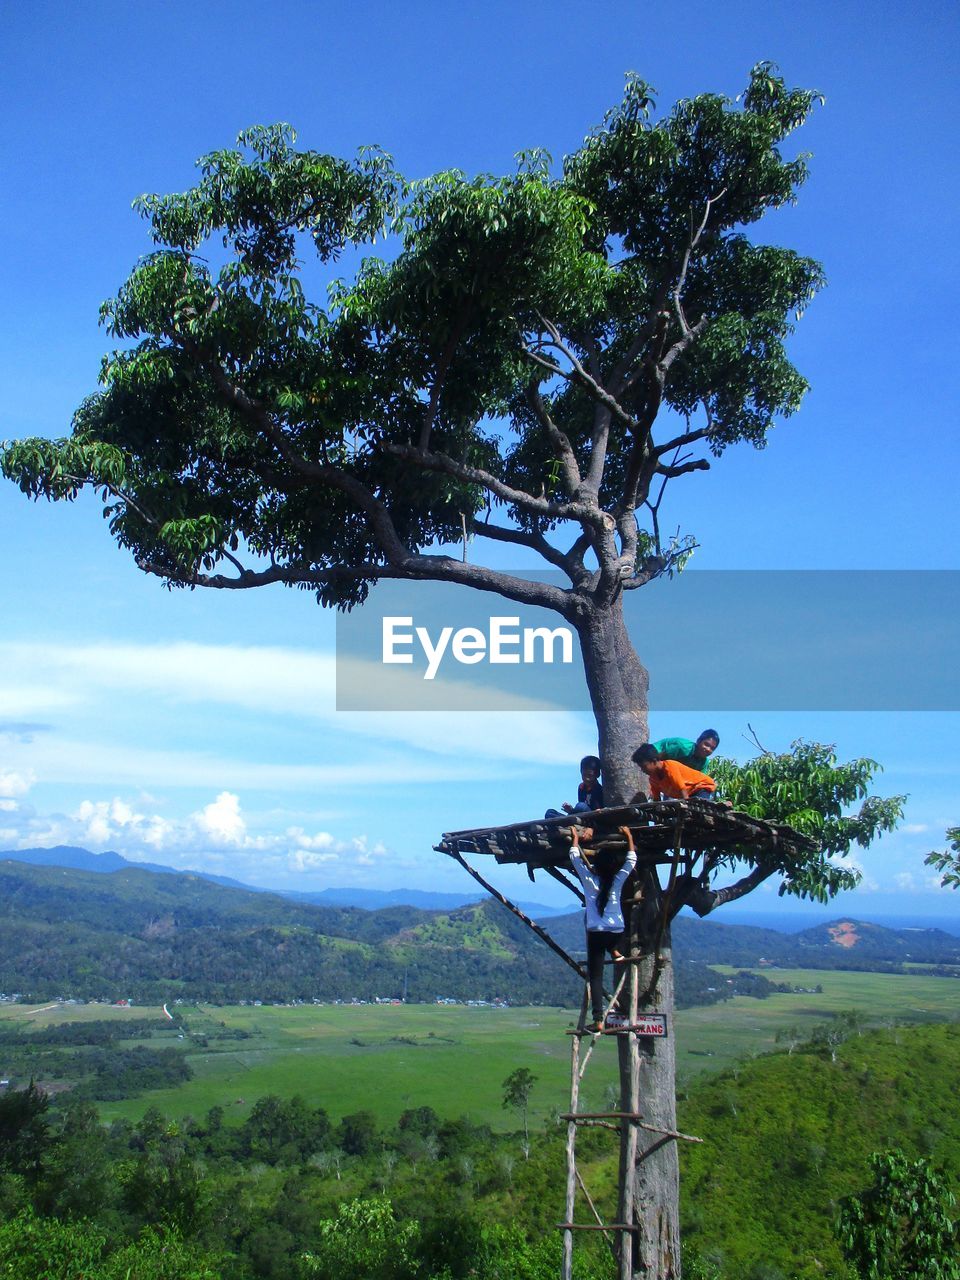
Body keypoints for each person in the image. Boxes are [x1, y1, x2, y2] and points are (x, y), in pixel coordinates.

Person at [568, 824, 637, 1032]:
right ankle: (615, 950)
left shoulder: (590, 881)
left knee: (596, 976)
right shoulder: (616, 881)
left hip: (597, 932)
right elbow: (631, 861)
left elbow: (575, 859)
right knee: (612, 937)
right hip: (617, 930)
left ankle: (598, 1018)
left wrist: (575, 839)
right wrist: (629, 837)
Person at [632, 743, 718, 801]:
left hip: (702, 787)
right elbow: (657, 800)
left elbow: (682, 790)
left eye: (644, 766)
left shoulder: (670, 767)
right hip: (689, 793)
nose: (642, 770)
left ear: (654, 761)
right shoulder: (653, 779)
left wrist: (687, 809)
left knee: (698, 811)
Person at [653, 730, 720, 774]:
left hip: (673, 771)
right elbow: (660, 757)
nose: (708, 749)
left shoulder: (704, 762)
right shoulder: (683, 748)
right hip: (654, 755)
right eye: (706, 744)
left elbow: (701, 779)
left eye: (712, 748)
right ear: (698, 741)